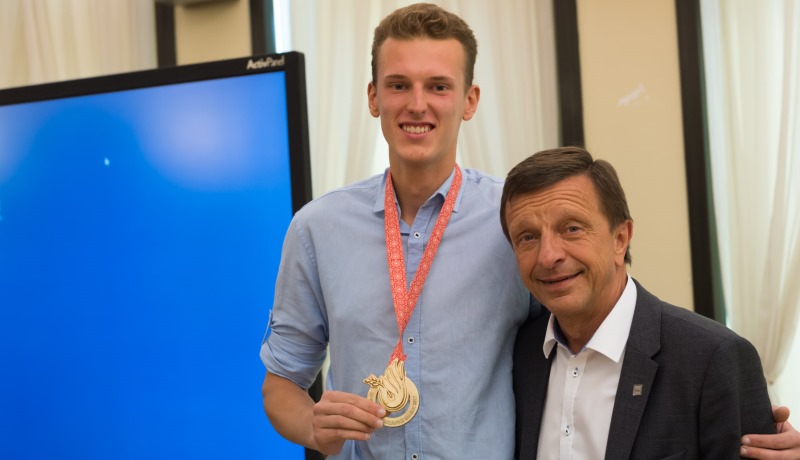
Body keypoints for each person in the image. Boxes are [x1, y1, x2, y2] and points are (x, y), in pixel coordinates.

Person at [260, 3, 800, 459]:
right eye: (398, 85)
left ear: (470, 100)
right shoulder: (315, 229)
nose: (417, 104)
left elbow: (609, 318)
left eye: (439, 86)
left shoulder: (519, 221)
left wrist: (745, 420)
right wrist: (311, 426)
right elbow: (282, 382)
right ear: (374, 97)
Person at [500, 146, 777, 459]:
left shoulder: (712, 359)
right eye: (527, 237)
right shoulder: (520, 355)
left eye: (572, 228)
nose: (548, 256)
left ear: (620, 239)